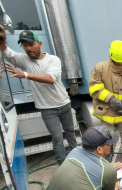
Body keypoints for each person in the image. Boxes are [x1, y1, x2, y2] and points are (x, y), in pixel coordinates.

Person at [0, 26, 77, 165]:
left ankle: (78, 160)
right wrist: (3, 40)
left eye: (31, 44)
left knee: (70, 132)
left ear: (39, 44)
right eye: (25, 46)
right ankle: (63, 165)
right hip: (47, 109)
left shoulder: (53, 60)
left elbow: (51, 78)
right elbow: (7, 53)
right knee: (57, 138)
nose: (29, 48)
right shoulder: (24, 60)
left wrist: (24, 74)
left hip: (64, 103)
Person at [89, 40, 122, 162]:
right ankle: (109, 151)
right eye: (118, 62)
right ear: (111, 57)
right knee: (107, 133)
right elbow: (95, 88)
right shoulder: (100, 68)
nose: (120, 64)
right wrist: (111, 99)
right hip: (107, 110)